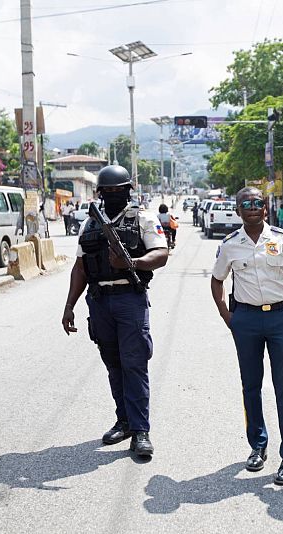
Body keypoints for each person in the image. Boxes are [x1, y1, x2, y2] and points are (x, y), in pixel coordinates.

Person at [61, 165, 169, 459]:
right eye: (107, 191)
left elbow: (161, 254)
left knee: (134, 364)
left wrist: (132, 264)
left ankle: (141, 430)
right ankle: (124, 421)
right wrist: (70, 305)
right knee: (113, 363)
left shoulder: (143, 218)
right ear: (99, 193)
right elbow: (81, 267)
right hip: (99, 301)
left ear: (128, 191)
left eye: (118, 190)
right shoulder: (90, 224)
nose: (112, 195)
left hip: (128, 299)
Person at [210, 187, 283, 486]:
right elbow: (216, 282)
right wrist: (230, 318)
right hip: (247, 321)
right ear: (238, 210)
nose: (252, 207)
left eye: (257, 203)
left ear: (265, 209)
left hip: (281, 318)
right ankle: (258, 446)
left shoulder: (282, 239)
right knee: (251, 386)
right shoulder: (229, 245)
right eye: (246, 204)